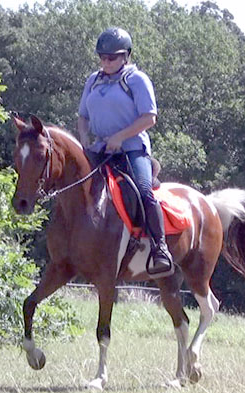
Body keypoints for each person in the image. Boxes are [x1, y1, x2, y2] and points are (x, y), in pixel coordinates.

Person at [78, 27, 173, 274]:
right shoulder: (93, 80)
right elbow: (82, 116)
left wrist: (120, 136)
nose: (106, 62)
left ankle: (160, 247)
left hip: (131, 149)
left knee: (144, 191)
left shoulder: (137, 80)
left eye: (112, 57)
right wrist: (84, 139)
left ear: (126, 56)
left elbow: (149, 118)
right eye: (102, 57)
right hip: (100, 149)